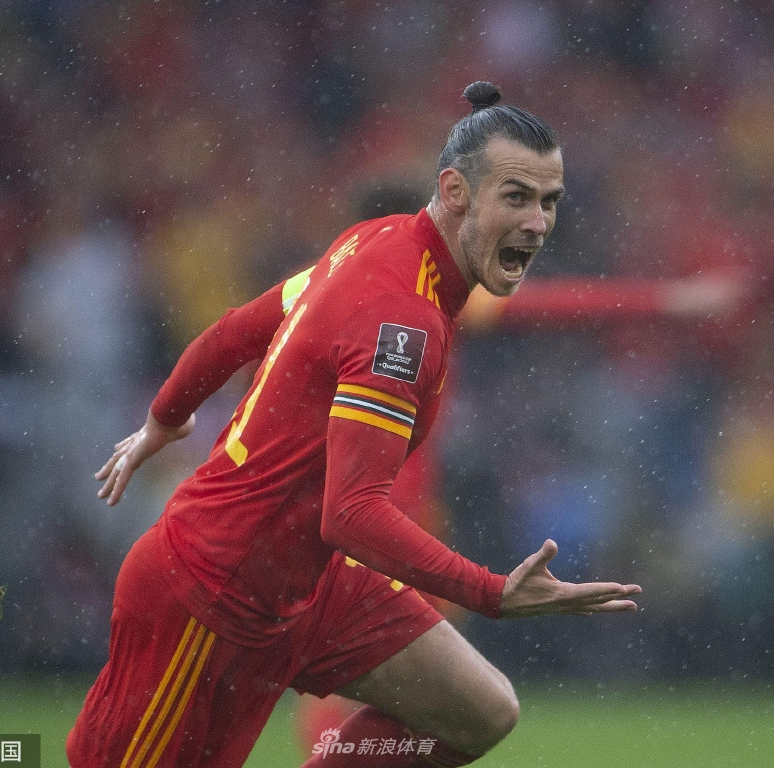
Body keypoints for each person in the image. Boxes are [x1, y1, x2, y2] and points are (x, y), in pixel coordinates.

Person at [66, 81, 642, 768]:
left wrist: (165, 418)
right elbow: (350, 513)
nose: (538, 222)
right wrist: (491, 593)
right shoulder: (404, 322)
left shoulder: (376, 240)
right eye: (516, 197)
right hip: (214, 593)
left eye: (549, 201)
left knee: (478, 710)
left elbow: (236, 330)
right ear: (455, 193)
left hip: (307, 582)